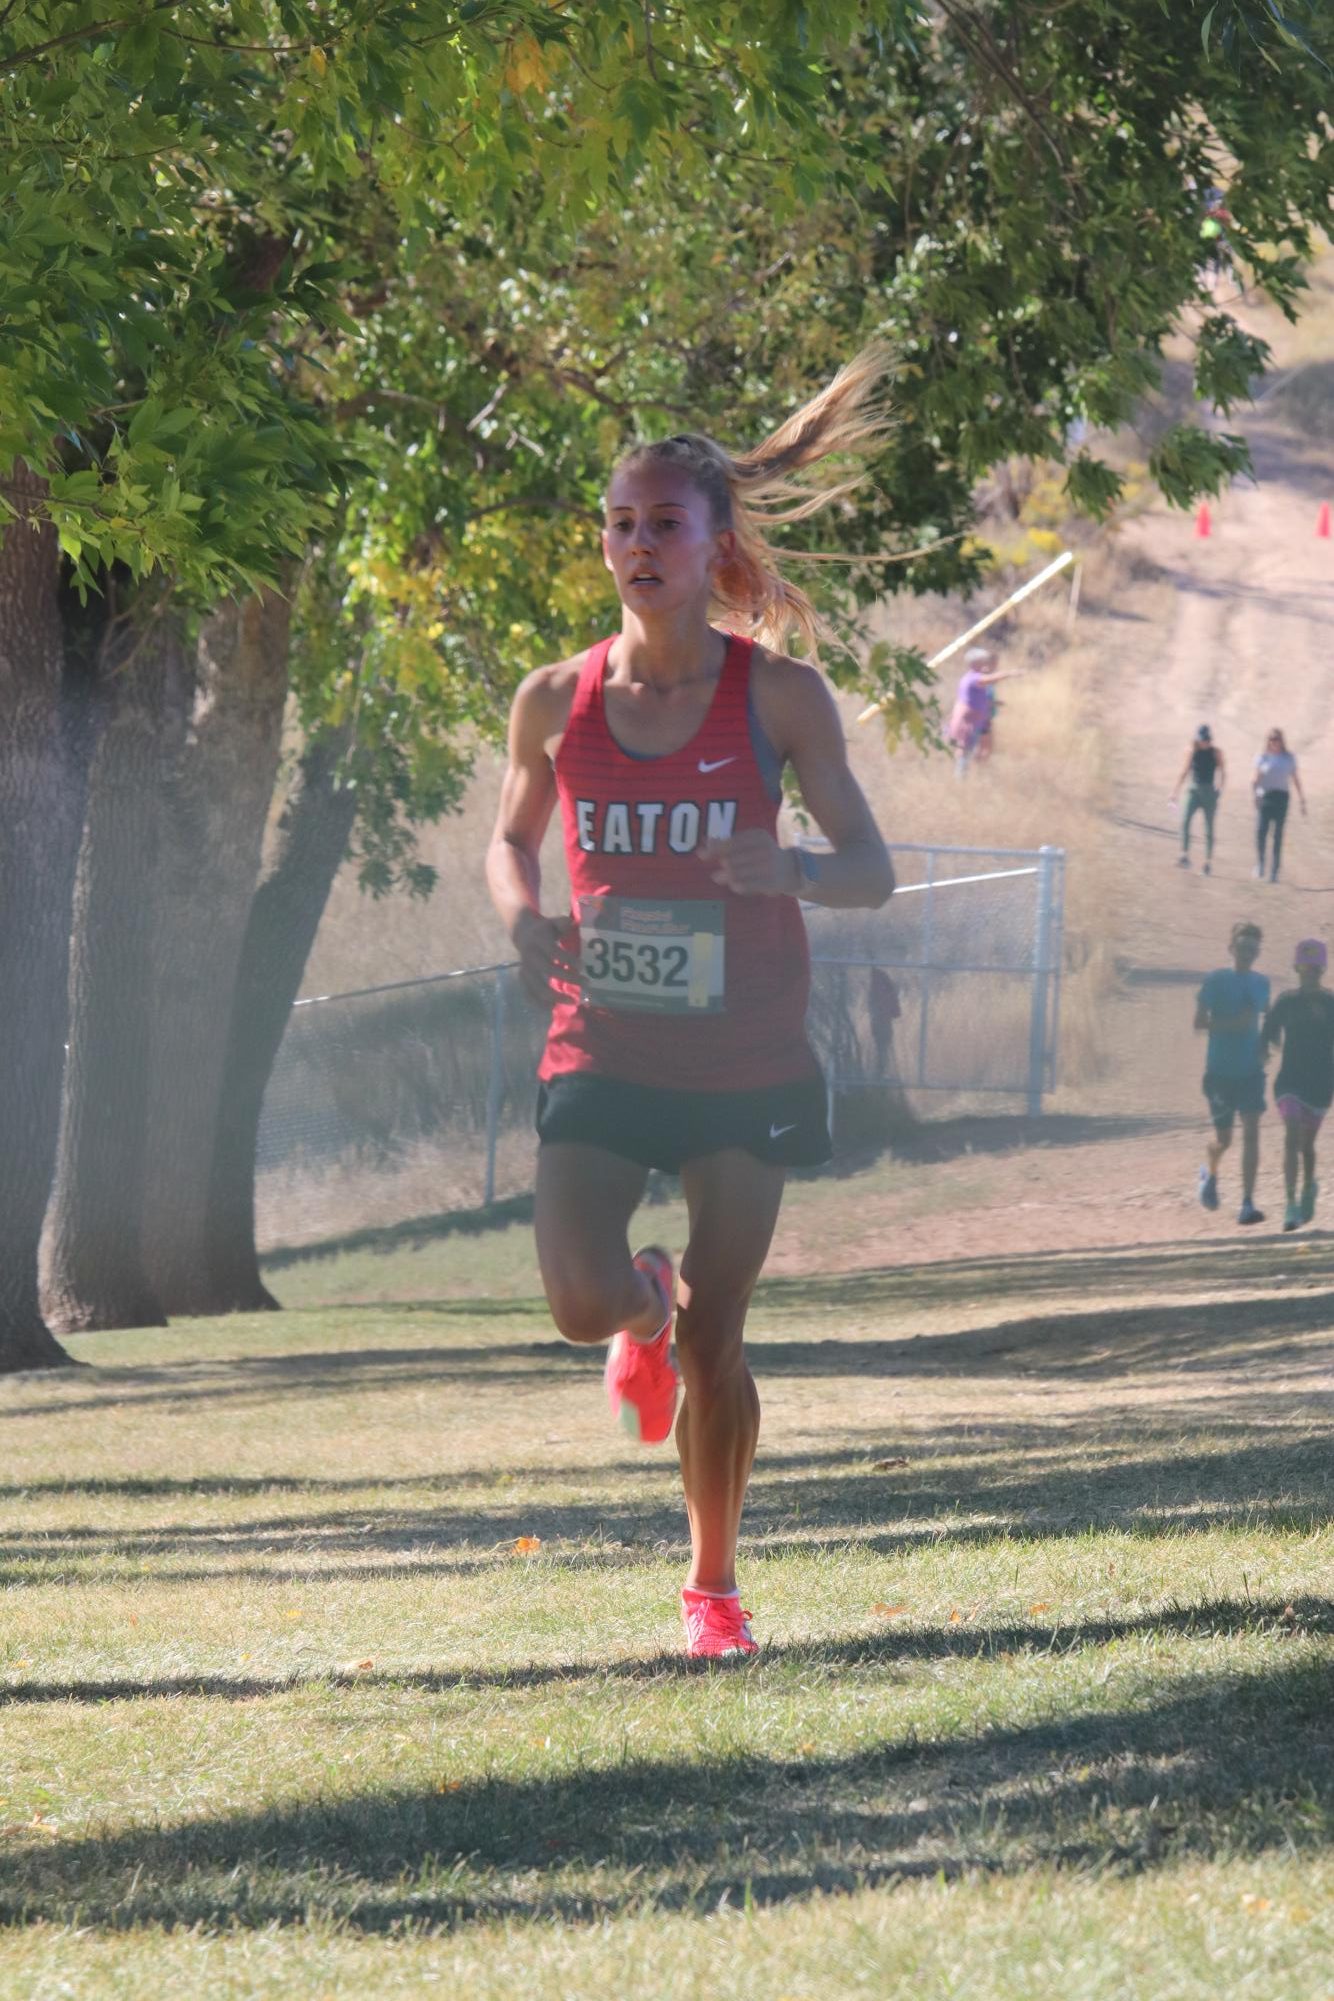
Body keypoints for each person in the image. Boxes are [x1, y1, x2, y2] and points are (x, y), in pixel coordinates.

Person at [485, 350, 896, 1660]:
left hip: (746, 1054)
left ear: (715, 544)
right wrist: (518, 915)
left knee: (723, 1336)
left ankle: (711, 1587)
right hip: (601, 1037)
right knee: (573, 1296)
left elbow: (871, 871)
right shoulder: (556, 699)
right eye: (619, 522)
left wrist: (792, 868)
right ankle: (639, 1306)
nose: (636, 543)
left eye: (665, 522)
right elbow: (506, 842)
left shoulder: (776, 695)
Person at [1195, 920, 1269, 1226]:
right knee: (1224, 1140)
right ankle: (1209, 1173)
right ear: (1231, 948)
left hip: (1250, 1070)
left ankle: (1247, 1203)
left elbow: (1247, 1019)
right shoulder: (1214, 980)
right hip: (1219, 1072)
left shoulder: (1261, 983)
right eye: (1242, 946)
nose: (1247, 953)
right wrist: (1230, 1025)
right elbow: (1199, 1022)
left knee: (1252, 1132)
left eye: (1253, 948)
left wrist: (1223, 1024)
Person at [1262, 939, 1334, 1231]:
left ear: (1323, 970)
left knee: (1307, 1146)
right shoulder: (1286, 1001)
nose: (1310, 974)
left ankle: (1308, 1187)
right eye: (1305, 968)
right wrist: (1262, 1051)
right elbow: (1267, 1032)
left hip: (1320, 1083)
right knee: (1292, 1136)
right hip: (1289, 1080)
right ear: (1296, 968)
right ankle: (1290, 1204)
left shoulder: (1331, 1002)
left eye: (1315, 969)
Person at [944, 646, 1023, 775]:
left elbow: (974, 699)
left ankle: (963, 775)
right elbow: (989, 680)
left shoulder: (968, 678)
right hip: (968, 722)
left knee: (967, 749)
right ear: (975, 663)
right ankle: (960, 778)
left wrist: (993, 703)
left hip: (972, 720)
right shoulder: (974, 678)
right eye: (982, 661)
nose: (984, 664)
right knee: (965, 750)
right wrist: (1010, 674)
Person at [1253, 728, 1306, 883]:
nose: (1273, 742)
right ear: (1268, 741)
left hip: (1282, 798)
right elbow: (1255, 779)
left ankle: (1274, 872)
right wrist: (1255, 795)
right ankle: (1261, 864)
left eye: (1276, 739)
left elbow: (1296, 779)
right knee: (1260, 833)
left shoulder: (1289, 758)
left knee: (1278, 836)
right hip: (1265, 797)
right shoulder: (1262, 758)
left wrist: (1302, 799)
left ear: (1282, 741)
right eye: (1271, 739)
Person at [1170, 724, 1225, 873]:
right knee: (1185, 820)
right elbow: (1184, 770)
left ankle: (1207, 863)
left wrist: (1219, 789)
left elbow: (1222, 771)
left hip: (1209, 792)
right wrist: (1175, 791)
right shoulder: (1191, 751)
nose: (1204, 742)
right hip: (1193, 790)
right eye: (1201, 739)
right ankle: (1184, 856)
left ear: (1209, 739)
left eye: (1206, 739)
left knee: (1208, 828)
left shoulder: (1216, 752)